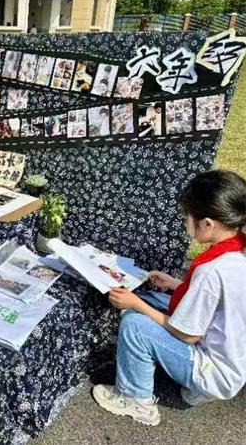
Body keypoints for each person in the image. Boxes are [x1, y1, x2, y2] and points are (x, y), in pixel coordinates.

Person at [93, 170, 246, 426]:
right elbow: (219, 302)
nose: (185, 222)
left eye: (187, 217)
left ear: (208, 223)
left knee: (135, 324)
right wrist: (177, 285)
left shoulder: (212, 270)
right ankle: (197, 389)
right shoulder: (238, 250)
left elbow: (187, 335)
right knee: (155, 300)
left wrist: (136, 304)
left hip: (214, 369)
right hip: (233, 357)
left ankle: (136, 400)